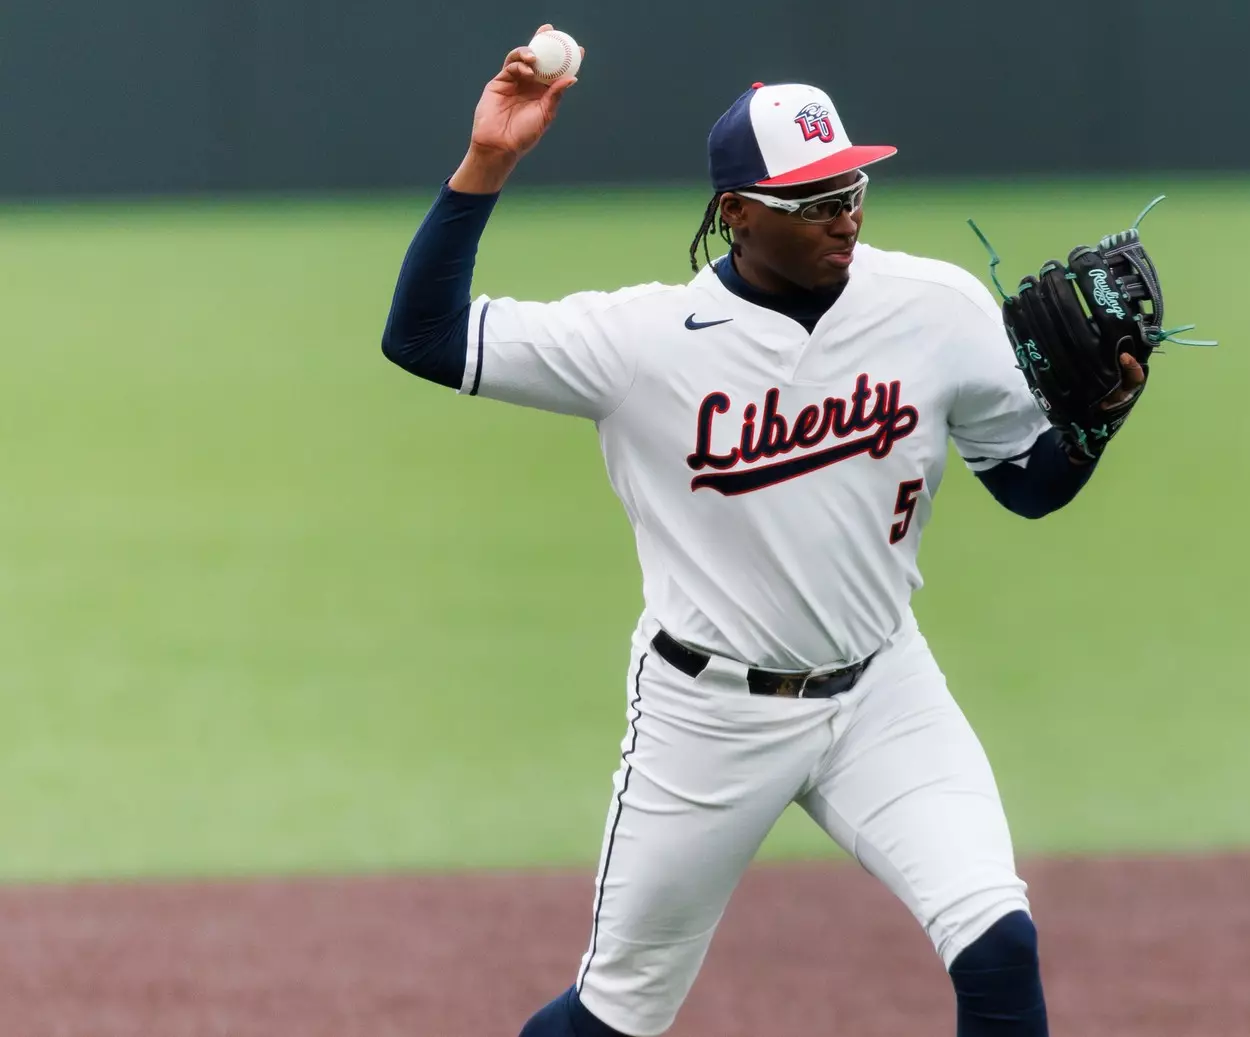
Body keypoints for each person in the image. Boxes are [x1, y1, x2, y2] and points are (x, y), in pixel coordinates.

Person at [381, 28, 1144, 1037]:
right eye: (813, 200)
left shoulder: (935, 306)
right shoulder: (638, 341)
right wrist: (489, 162)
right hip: (705, 717)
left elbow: (1029, 487)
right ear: (736, 214)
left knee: (997, 943)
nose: (845, 215)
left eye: (851, 188)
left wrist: (1096, 420)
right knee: (614, 1016)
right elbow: (423, 337)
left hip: (883, 690)